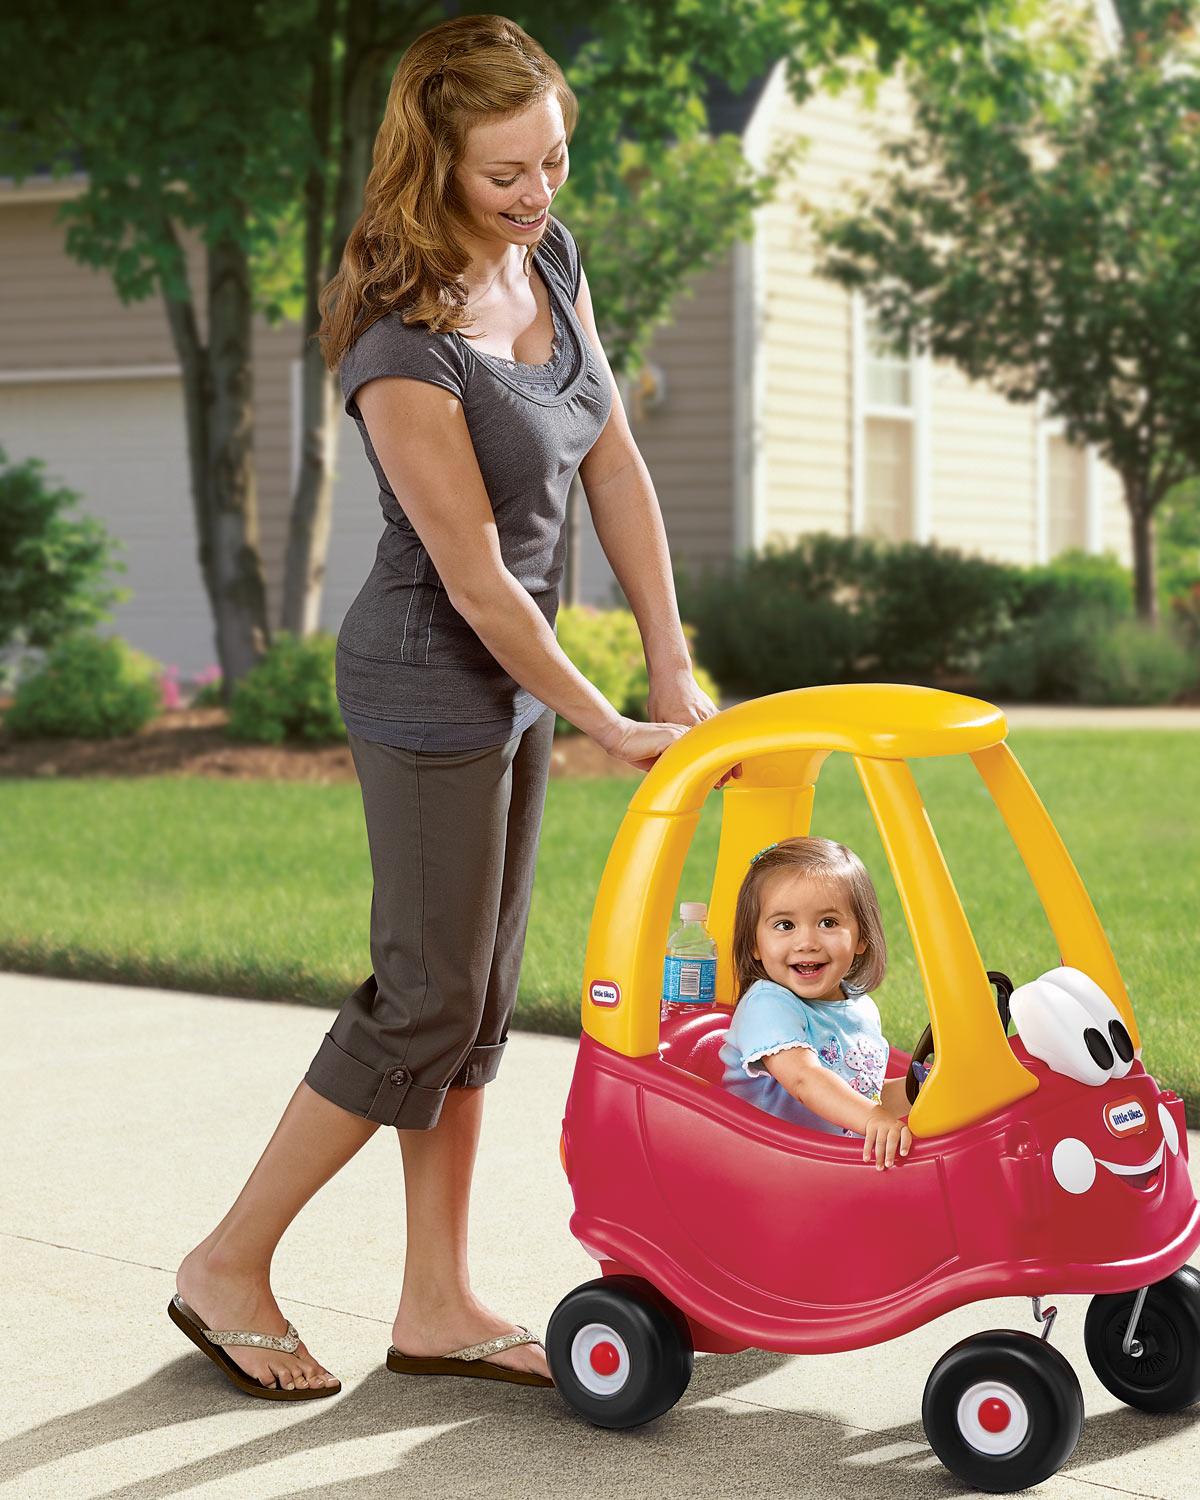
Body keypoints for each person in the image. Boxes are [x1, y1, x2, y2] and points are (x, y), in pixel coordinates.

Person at [171, 13, 725, 1399]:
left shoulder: (550, 257)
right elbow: (480, 584)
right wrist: (605, 719)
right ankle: (227, 1262)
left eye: (552, 161)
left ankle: (437, 1302)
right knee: (424, 1002)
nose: (539, 193)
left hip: (519, 684)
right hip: (432, 677)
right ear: (434, 163)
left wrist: (667, 661)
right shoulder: (397, 338)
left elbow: (613, 460)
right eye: (506, 174)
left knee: (475, 1008)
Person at [719, 837, 914, 1170]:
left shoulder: (860, 1008)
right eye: (785, 925)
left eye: (828, 923)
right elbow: (805, 1080)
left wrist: (919, 1088)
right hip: (764, 1166)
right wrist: (873, 1117)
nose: (806, 942)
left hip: (827, 1167)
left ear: (861, 937)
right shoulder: (768, 1005)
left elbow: (863, 1093)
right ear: (754, 943)